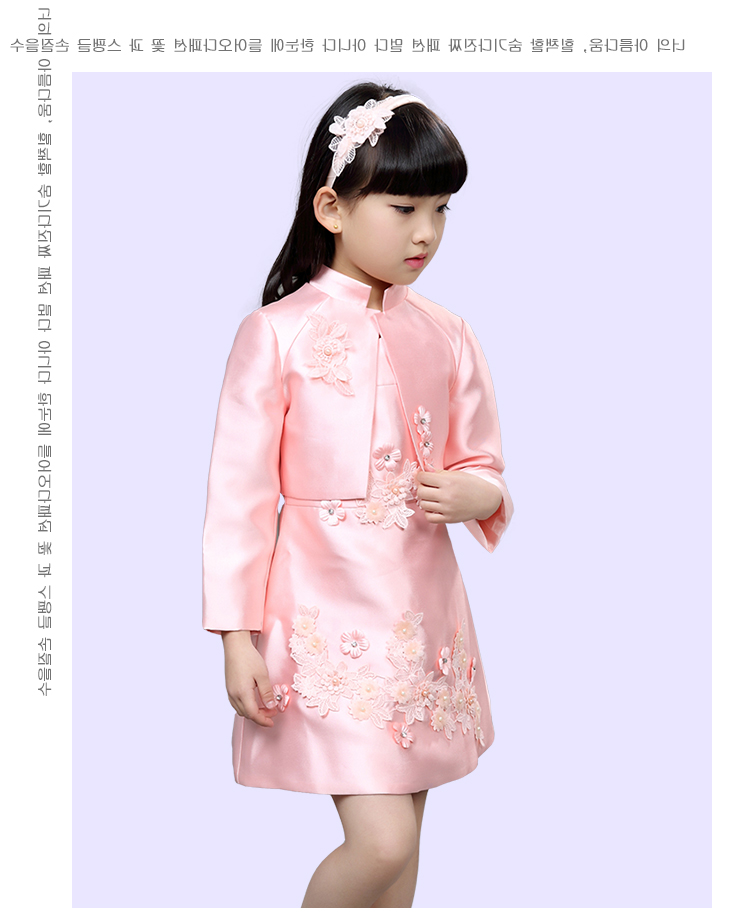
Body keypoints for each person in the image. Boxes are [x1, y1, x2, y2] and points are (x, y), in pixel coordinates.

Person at [202, 82, 514, 908]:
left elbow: (484, 461)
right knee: (381, 844)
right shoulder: (276, 333)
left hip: (423, 619)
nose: (426, 233)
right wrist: (235, 635)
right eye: (405, 207)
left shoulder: (449, 333)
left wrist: (477, 492)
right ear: (332, 208)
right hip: (324, 619)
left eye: (441, 210)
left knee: (403, 861)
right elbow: (238, 497)